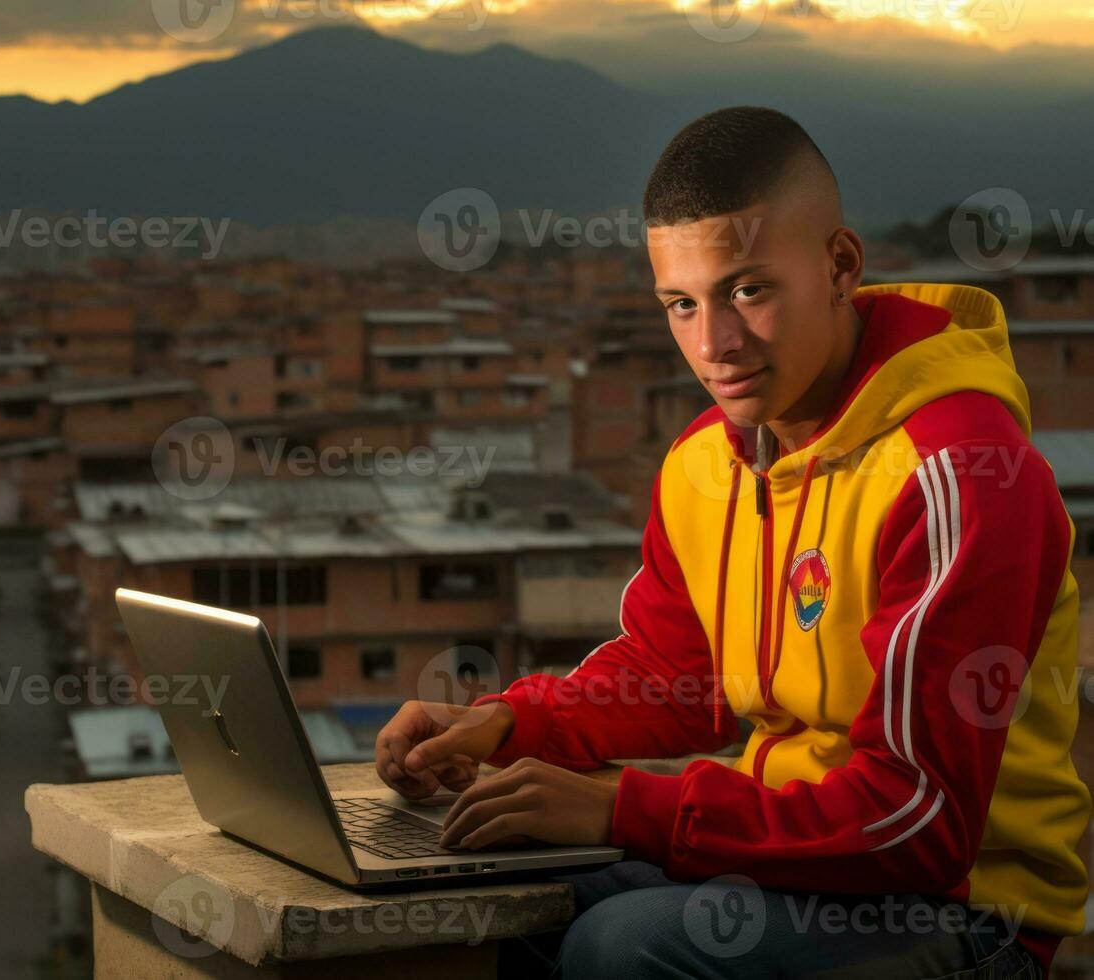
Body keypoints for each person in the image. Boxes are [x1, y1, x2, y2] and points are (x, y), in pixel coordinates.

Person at [374, 106, 1089, 978]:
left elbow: (919, 822)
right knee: (497, 904)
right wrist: (508, 723)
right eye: (681, 303)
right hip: (795, 866)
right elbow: (682, 676)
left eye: (747, 290)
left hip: (964, 913)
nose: (713, 344)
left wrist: (621, 811)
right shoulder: (705, 463)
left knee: (616, 948)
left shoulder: (956, 470)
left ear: (838, 266)